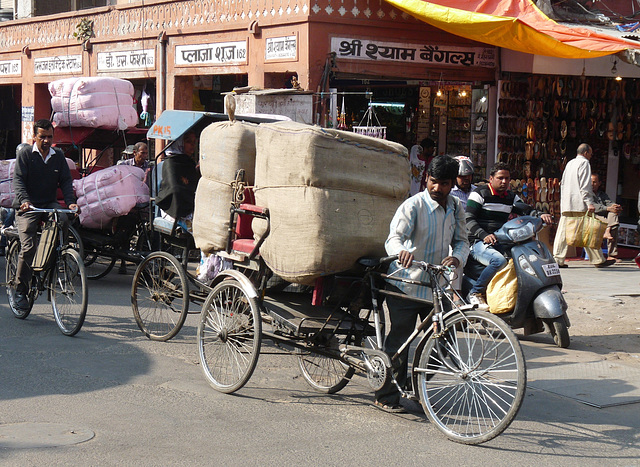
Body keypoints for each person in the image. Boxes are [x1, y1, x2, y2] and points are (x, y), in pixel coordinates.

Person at [374, 155, 469, 413]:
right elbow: (394, 237)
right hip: (406, 284)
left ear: (453, 184)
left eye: (444, 183)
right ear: (427, 179)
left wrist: (457, 257)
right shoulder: (413, 206)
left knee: (442, 341)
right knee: (400, 341)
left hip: (436, 287)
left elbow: (462, 240)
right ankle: (386, 395)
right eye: (433, 182)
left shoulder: (456, 207)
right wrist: (401, 251)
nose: (437, 188)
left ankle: (415, 386)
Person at [465, 162, 553, 309]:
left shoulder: (510, 196)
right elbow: (468, 219)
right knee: (498, 261)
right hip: (477, 242)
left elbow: (526, 210)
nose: (504, 182)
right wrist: (484, 235)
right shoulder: (479, 193)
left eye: (507, 178)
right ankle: (475, 292)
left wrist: (540, 215)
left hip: (499, 240)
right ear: (491, 178)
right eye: (500, 178)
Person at [12, 119, 78, 311]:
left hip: (48, 203)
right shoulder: (25, 155)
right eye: (43, 137)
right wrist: (25, 200)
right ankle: (20, 290)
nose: (47, 141)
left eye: (50, 137)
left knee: (63, 218)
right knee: (29, 247)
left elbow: (66, 181)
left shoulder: (58, 156)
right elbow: (18, 180)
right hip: (28, 206)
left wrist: (71, 201)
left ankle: (57, 257)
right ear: (35, 137)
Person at [552, 143, 616, 268]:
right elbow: (585, 185)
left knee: (564, 231)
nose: (591, 156)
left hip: (567, 203)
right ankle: (598, 260)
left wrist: (563, 201)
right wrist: (589, 202)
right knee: (588, 230)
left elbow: (563, 184)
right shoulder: (584, 163)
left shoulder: (570, 163)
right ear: (586, 153)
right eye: (590, 154)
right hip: (578, 203)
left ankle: (558, 259)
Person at [156, 130, 200, 229]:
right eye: (189, 141)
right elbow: (174, 189)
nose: (192, 145)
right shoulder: (169, 164)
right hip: (171, 207)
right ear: (179, 143)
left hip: (190, 207)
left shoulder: (189, 163)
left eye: (194, 142)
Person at [591, 173, 622, 263]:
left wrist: (616, 207)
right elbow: (592, 206)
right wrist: (607, 208)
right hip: (592, 216)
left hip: (604, 217)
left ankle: (611, 255)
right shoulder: (586, 194)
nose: (592, 184)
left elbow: (609, 202)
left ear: (599, 183)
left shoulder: (602, 194)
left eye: (594, 182)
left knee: (614, 215)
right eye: (590, 182)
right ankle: (608, 230)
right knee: (610, 220)